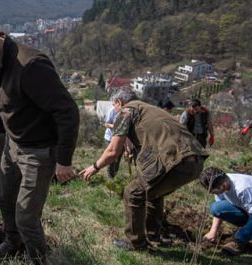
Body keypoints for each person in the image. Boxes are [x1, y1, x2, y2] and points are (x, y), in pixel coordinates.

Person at [0, 22, 79, 265]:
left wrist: (64, 160)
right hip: (13, 144)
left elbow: (68, 112)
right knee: (4, 199)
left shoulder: (31, 66)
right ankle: (13, 242)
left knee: (27, 217)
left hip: (39, 150)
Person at [81, 91, 207, 251]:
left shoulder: (126, 111)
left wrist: (95, 166)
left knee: (132, 193)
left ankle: (136, 243)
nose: (114, 109)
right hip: (195, 160)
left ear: (119, 102)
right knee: (152, 192)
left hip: (174, 160)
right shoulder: (150, 109)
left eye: (114, 105)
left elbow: (112, 151)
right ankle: (154, 235)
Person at [102, 95, 124, 179]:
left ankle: (114, 176)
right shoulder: (112, 111)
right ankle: (110, 179)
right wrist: (115, 126)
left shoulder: (125, 111)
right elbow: (106, 124)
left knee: (118, 159)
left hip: (121, 139)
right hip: (110, 138)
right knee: (111, 158)